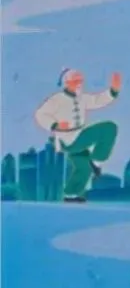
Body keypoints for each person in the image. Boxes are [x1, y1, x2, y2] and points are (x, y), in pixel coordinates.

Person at [33, 68, 122, 203]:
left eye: (80, 80)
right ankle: (97, 159)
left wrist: (113, 91)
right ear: (67, 82)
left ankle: (71, 194)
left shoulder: (82, 98)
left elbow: (97, 100)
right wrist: (55, 125)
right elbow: (40, 114)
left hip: (78, 137)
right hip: (68, 139)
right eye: (76, 81)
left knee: (84, 168)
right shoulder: (57, 99)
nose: (79, 84)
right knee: (109, 127)